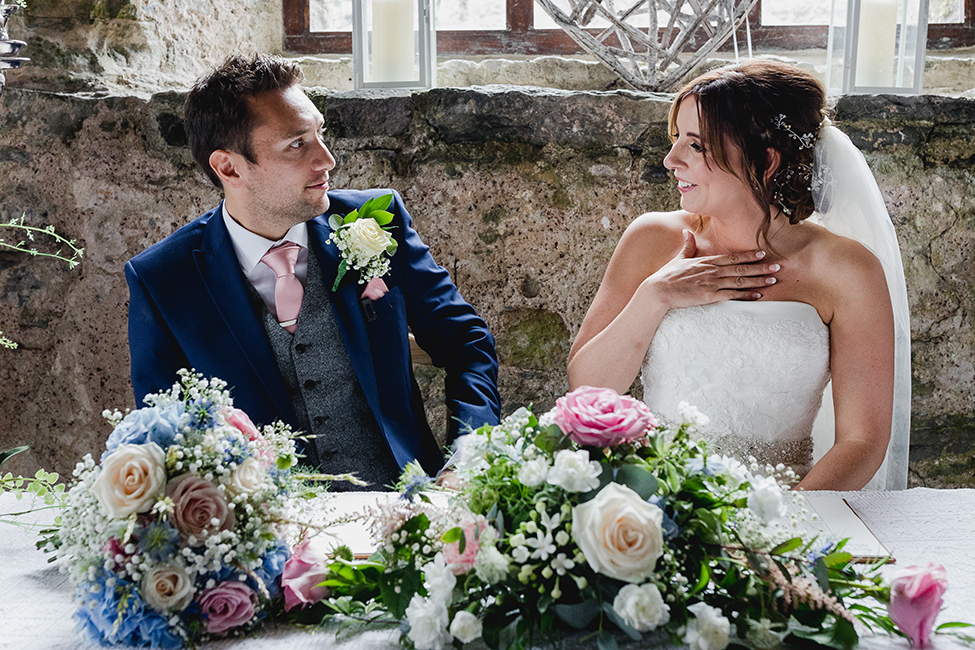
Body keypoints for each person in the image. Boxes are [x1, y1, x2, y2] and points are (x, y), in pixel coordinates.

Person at [125, 53, 501, 489]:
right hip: (268, 533)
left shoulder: (375, 221)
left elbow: (467, 344)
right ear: (228, 166)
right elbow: (162, 430)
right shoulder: (163, 279)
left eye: (320, 133)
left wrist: (467, 457)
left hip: (406, 508)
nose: (327, 160)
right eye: (297, 144)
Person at [567, 60, 910, 491]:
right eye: (676, 140)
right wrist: (657, 294)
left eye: (696, 145)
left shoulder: (849, 271)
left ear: (765, 161)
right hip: (657, 505)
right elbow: (588, 388)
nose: (671, 160)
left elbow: (862, 441)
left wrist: (784, 529)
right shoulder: (651, 238)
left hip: (786, 513)